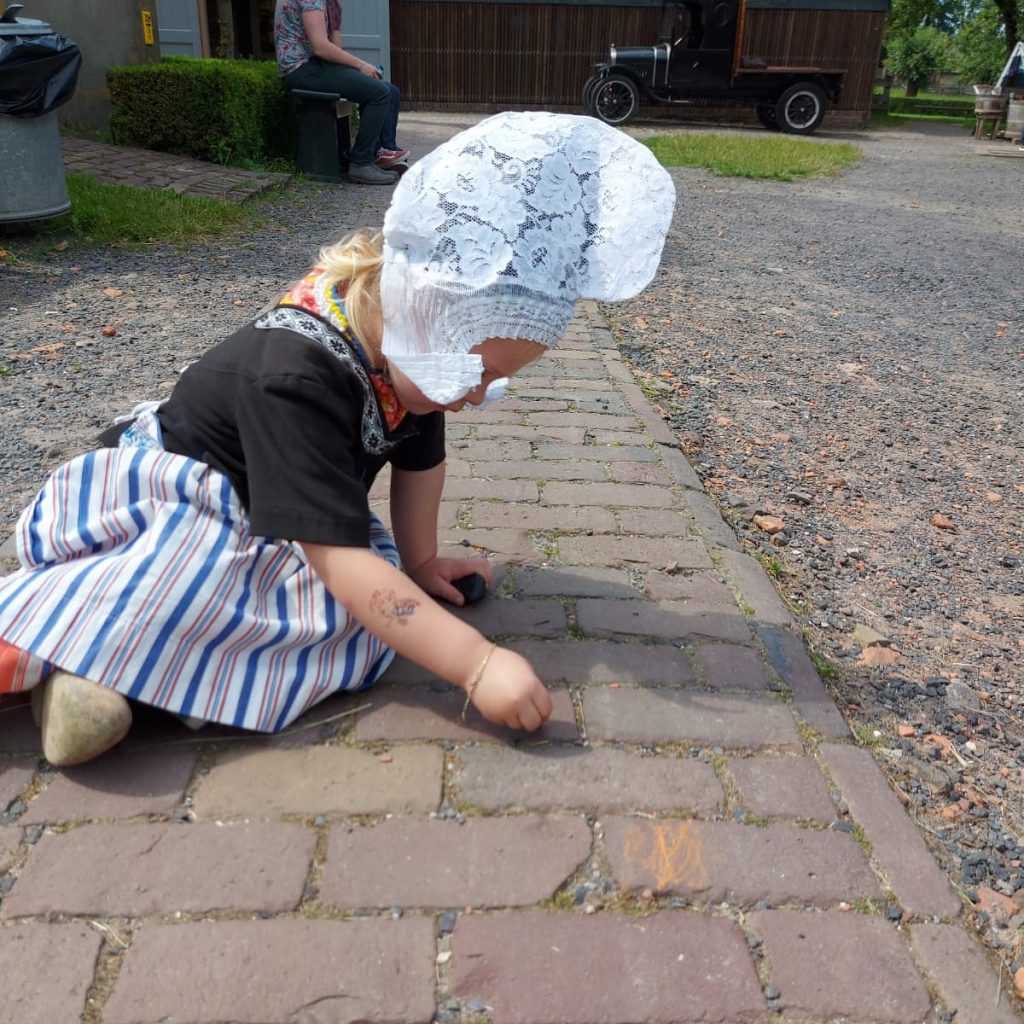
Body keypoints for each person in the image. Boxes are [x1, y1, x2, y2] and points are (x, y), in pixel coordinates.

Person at [0, 112, 676, 765]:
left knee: (342, 615)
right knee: (194, 581)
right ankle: (45, 654)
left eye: (490, 381)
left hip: (278, 522)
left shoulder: (416, 357)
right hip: (180, 499)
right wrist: (475, 663)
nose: (474, 395)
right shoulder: (293, 376)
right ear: (428, 317)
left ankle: (148, 676)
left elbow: (420, 465)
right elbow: (343, 563)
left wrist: (420, 564)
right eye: (477, 374)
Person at [274, 0, 406, 185]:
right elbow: (320, 47)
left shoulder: (327, 3)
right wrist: (361, 65)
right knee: (379, 93)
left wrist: (334, 21)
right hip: (301, 69)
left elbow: (333, 49)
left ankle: (379, 153)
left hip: (316, 67)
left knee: (388, 90)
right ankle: (361, 162)